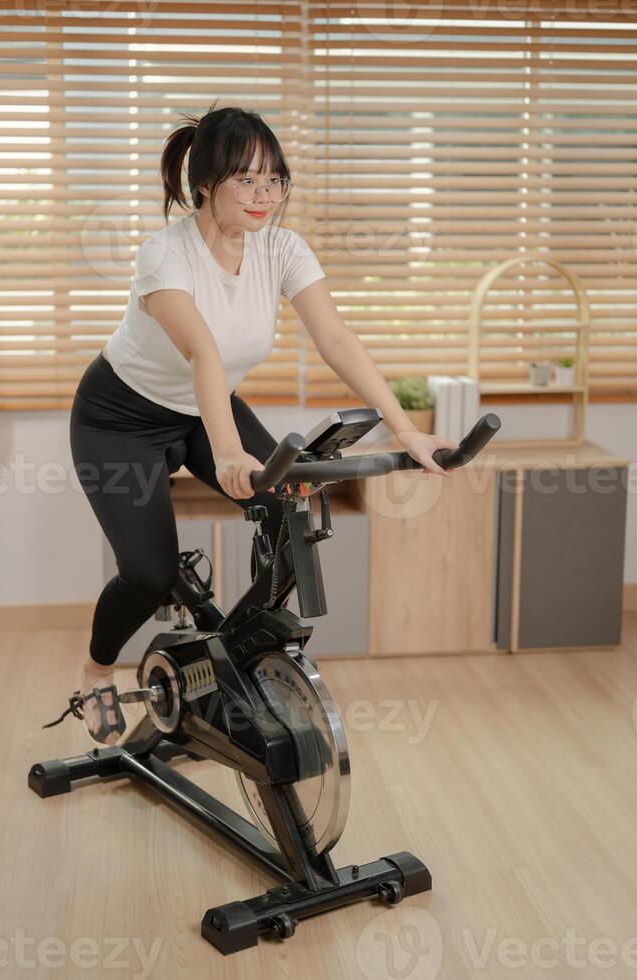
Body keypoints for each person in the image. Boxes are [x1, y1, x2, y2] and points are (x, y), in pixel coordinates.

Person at [58, 102, 456, 746]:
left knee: (289, 501)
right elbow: (203, 353)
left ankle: (239, 646)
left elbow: (336, 338)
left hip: (201, 408)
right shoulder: (166, 255)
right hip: (119, 419)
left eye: (275, 180)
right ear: (205, 185)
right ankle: (98, 668)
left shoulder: (282, 248)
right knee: (148, 573)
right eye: (245, 179)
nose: (264, 195)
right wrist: (227, 454)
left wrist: (405, 430)